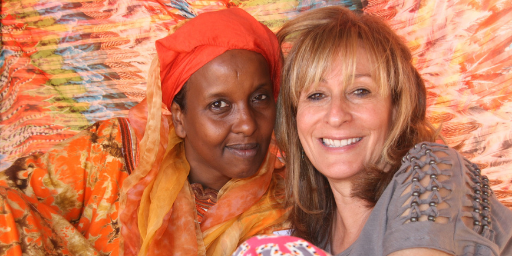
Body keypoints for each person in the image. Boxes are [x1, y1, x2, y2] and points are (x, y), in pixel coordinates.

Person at [0, 8, 289, 256]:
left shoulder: (288, 208)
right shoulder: (110, 152)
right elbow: (13, 195)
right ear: (180, 118)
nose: (248, 124)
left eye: (259, 98)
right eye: (219, 105)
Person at [233, 6, 512, 256]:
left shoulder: (433, 171)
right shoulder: (309, 239)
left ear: (396, 107)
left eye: (360, 91)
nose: (336, 115)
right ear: (294, 117)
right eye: (316, 95)